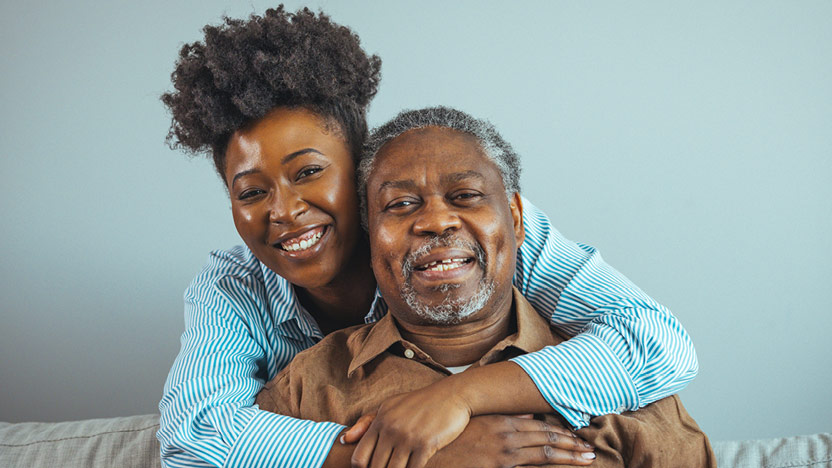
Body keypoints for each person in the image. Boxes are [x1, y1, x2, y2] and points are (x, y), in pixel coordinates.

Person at [158, 7, 698, 468]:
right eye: (251, 192)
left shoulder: (482, 231)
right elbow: (192, 439)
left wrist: (460, 398)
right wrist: (429, 454)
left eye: (308, 173)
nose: (285, 210)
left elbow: (658, 345)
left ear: (365, 172)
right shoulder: (235, 291)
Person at [254, 105, 715, 468]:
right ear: (369, 234)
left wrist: (460, 396)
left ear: (515, 217)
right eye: (401, 204)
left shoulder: (630, 390)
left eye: (465, 196)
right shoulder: (306, 391)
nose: (435, 221)